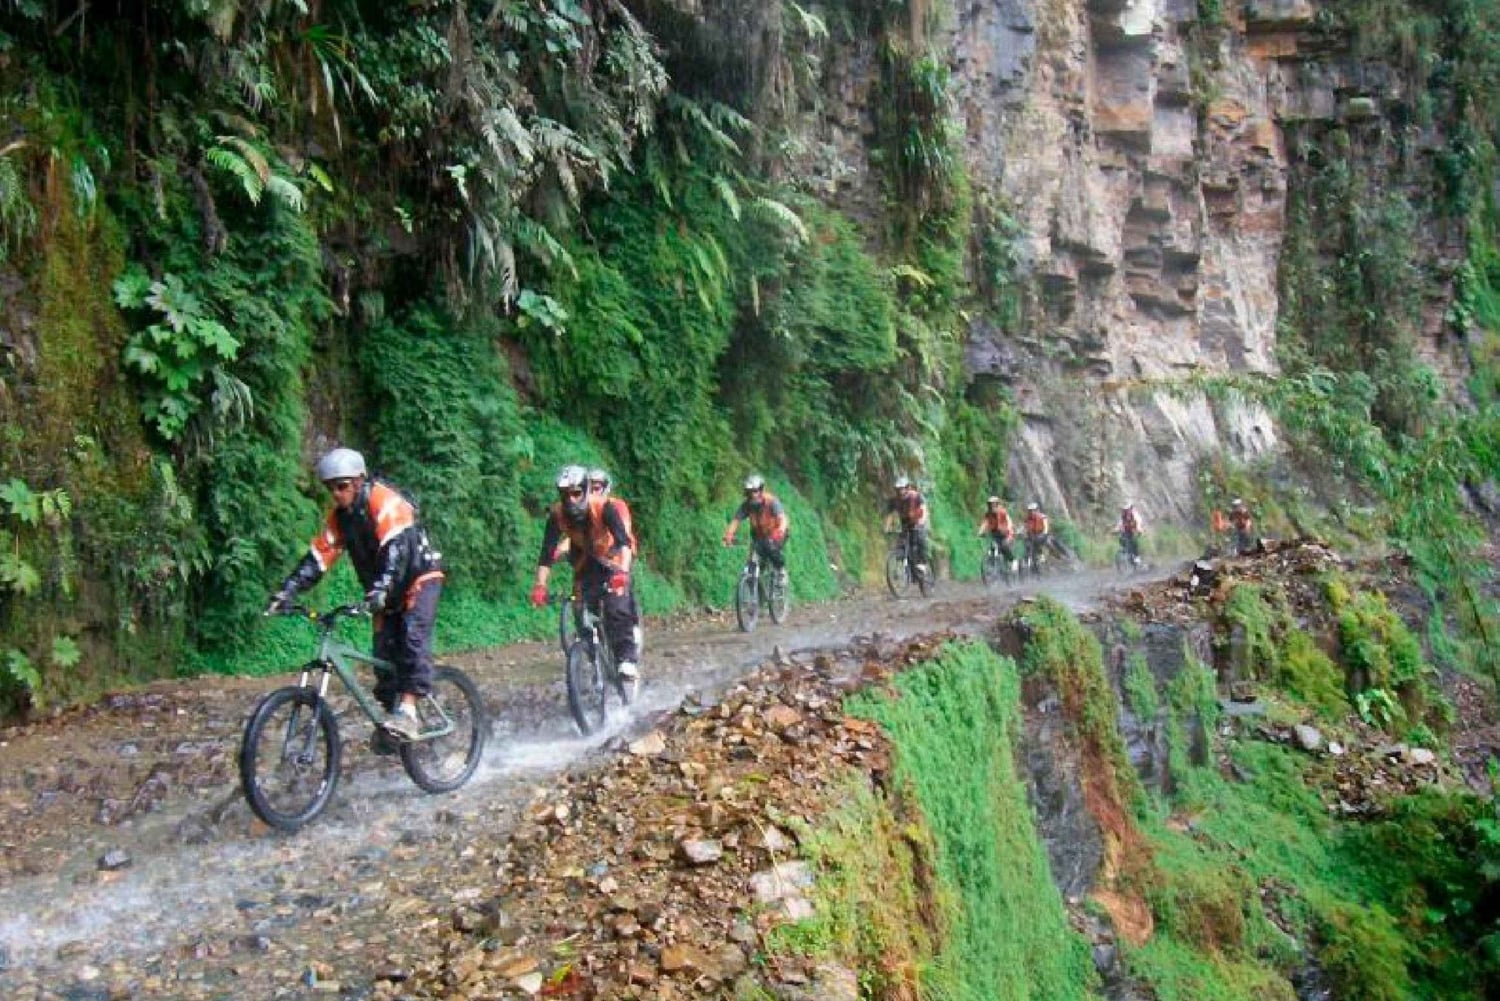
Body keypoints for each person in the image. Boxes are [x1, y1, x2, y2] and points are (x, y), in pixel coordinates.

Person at [267, 447, 445, 745]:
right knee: (384, 659)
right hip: (383, 590)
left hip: (418, 577)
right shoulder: (342, 519)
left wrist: (383, 588)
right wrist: (288, 589)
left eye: (342, 486)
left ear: (360, 481)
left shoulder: (384, 500)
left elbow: (397, 550)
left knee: (412, 641)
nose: (336, 494)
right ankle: (395, 724)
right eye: (330, 488)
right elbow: (318, 557)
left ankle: (410, 712)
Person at [530, 465, 640, 685]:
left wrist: (623, 573)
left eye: (576, 493)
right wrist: (540, 586)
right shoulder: (557, 515)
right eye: (565, 495)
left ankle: (627, 659)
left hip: (613, 558)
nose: (570, 500)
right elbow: (546, 554)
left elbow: (623, 541)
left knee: (616, 605)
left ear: (585, 490)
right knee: (579, 611)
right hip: (586, 561)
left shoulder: (605, 507)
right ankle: (594, 657)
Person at [723, 474, 790, 586]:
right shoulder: (746, 505)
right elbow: (736, 521)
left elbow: (782, 519)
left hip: (776, 533)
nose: (752, 495)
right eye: (749, 492)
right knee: (753, 561)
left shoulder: (771, 501)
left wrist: (780, 530)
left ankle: (781, 571)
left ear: (761, 490)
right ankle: (756, 591)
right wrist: (729, 535)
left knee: (770, 546)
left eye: (755, 491)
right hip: (759, 536)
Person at [883, 476, 930, 575]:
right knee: (902, 542)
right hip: (906, 522)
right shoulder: (895, 501)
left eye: (902, 489)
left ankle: (922, 563)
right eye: (898, 490)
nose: (901, 492)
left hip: (919, 519)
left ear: (907, 488)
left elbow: (924, 509)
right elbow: (890, 515)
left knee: (920, 537)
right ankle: (906, 563)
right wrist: (886, 528)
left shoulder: (916, 496)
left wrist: (921, 521)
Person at [976, 496, 1017, 572]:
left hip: (1006, 532)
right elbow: (985, 523)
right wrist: (980, 532)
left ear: (997, 504)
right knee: (992, 547)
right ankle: (993, 563)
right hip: (995, 533)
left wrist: (1008, 530)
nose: (992, 506)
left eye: (993, 504)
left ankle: (1013, 560)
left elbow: (1009, 522)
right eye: (990, 504)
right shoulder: (988, 514)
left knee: (1004, 546)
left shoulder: (1003, 512)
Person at [1023, 502, 1050, 569]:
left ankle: (1041, 555)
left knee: (1037, 541)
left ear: (1037, 510)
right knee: (1026, 544)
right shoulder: (1027, 519)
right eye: (1030, 510)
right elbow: (1024, 527)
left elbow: (1046, 528)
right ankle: (1026, 560)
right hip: (1032, 535)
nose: (1032, 512)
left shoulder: (1043, 517)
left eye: (1033, 510)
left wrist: (1043, 534)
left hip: (1041, 535)